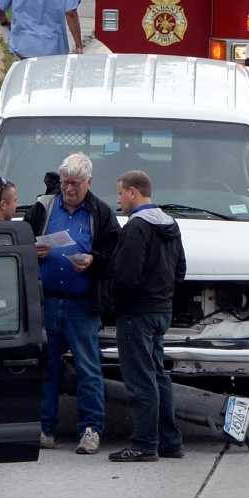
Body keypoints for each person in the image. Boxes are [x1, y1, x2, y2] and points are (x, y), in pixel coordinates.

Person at [36, 154, 119, 454]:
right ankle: (45, 428)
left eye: (75, 183)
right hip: (47, 302)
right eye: (65, 183)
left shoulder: (101, 213)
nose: (68, 189)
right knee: (47, 367)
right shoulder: (44, 207)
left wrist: (94, 261)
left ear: (89, 183)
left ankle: (91, 429)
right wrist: (36, 251)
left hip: (82, 305)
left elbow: (116, 255)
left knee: (88, 368)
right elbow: (19, 243)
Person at [106, 171, 186, 464]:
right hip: (162, 310)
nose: (118, 200)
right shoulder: (170, 223)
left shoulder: (136, 228)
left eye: (120, 193)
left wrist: (115, 304)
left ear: (133, 192)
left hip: (136, 314)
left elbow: (127, 276)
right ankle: (170, 441)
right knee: (158, 376)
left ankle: (143, 443)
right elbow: (181, 270)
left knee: (140, 381)